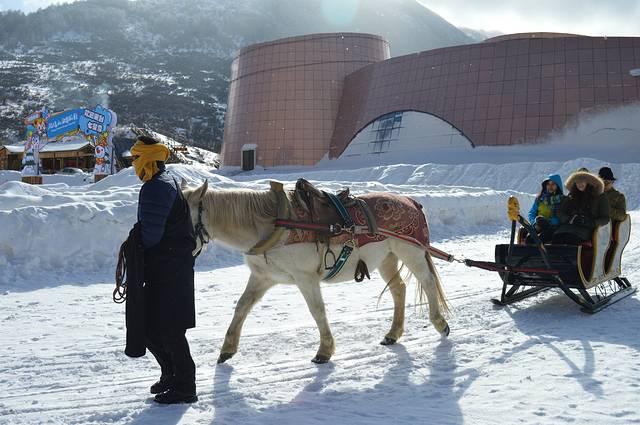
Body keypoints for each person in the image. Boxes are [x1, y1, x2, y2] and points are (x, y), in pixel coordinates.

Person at [131, 135, 198, 404]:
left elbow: (151, 236)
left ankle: (185, 387)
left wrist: (134, 240)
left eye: (136, 157)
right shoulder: (164, 181)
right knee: (153, 327)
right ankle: (171, 375)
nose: (133, 162)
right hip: (171, 266)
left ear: (148, 158)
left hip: (168, 269)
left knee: (168, 329)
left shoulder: (156, 188)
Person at [552, 170, 610, 245]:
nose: (580, 184)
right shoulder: (571, 195)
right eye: (577, 182)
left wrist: (590, 222)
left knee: (571, 239)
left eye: (582, 181)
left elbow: (605, 218)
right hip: (568, 227)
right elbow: (560, 211)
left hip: (587, 229)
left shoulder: (600, 196)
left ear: (588, 182)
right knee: (556, 238)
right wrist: (570, 219)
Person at [527, 174, 565, 243]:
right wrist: (535, 223)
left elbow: (563, 217)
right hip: (538, 226)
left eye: (553, 184)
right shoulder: (540, 199)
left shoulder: (562, 200)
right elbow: (531, 213)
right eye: (548, 184)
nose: (550, 186)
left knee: (540, 238)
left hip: (553, 228)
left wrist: (549, 222)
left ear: (558, 186)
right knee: (529, 239)